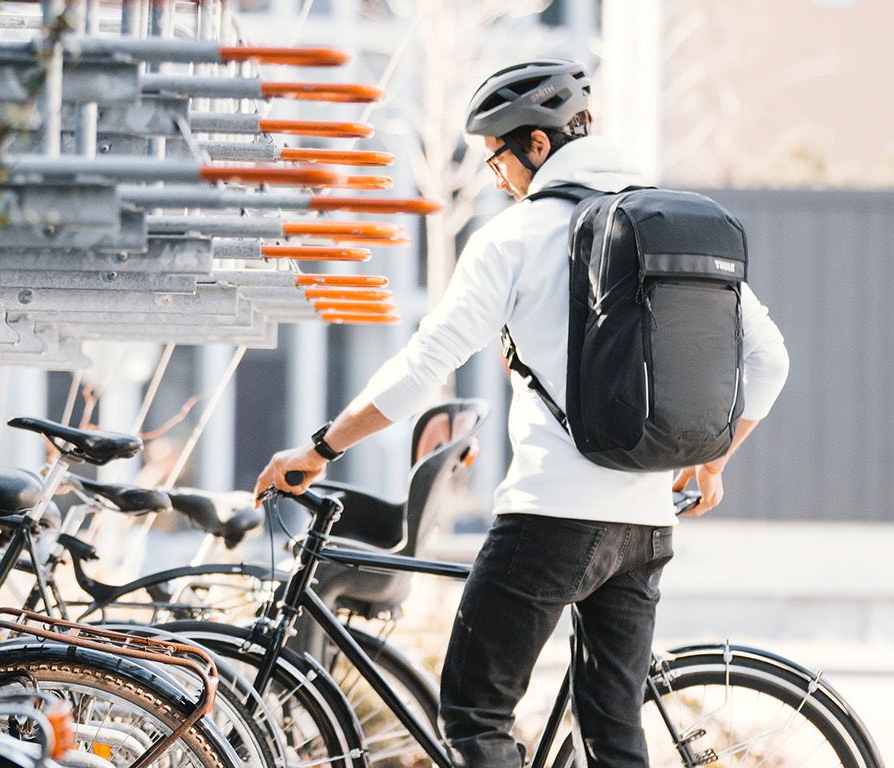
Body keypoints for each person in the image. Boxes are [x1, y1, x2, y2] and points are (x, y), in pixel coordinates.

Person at [252, 59, 791, 767]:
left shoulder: (516, 236)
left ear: (536, 144)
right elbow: (771, 360)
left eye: (496, 158)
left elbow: (424, 364)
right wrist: (712, 460)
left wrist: (320, 448)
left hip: (551, 518)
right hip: (646, 524)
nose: (496, 177)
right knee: (611, 735)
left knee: (474, 715)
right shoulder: (665, 229)